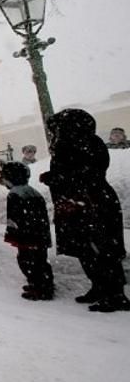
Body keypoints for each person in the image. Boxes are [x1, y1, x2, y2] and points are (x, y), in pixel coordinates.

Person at [40, 109, 129, 312]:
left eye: (57, 128)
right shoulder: (73, 143)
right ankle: (99, 287)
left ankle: (116, 295)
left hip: (91, 203)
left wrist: (57, 179)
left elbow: (87, 173)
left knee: (103, 250)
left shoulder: (86, 143)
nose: (54, 133)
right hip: (79, 203)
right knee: (86, 250)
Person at [0, 162, 54, 300]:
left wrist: (13, 234)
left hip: (27, 237)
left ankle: (39, 287)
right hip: (39, 235)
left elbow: (14, 218)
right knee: (41, 261)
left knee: (27, 261)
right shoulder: (33, 191)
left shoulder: (14, 194)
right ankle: (44, 284)